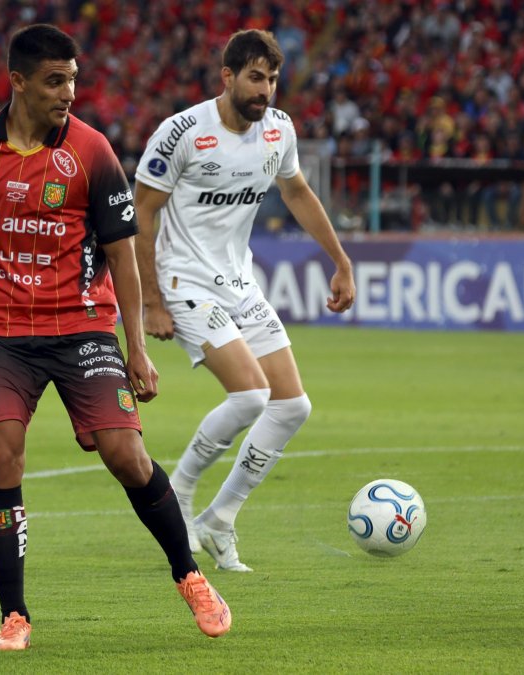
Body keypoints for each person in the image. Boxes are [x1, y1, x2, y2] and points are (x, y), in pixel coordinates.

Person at [0, 24, 231, 650]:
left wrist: (136, 347)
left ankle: (190, 575)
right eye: (55, 81)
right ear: (18, 82)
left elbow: (122, 254)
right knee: (0, 454)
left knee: (127, 457)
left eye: (73, 80)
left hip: (81, 323)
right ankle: (14, 615)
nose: (68, 93)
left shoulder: (91, 153)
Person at [132, 29, 356, 573]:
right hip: (184, 282)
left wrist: (341, 262)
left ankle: (221, 517)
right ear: (228, 77)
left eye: (273, 79)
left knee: (292, 406)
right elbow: (141, 214)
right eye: (256, 78)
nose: (266, 90)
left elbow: (298, 192)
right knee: (253, 395)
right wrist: (152, 303)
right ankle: (180, 494)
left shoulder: (278, 131)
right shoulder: (182, 132)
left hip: (239, 284)